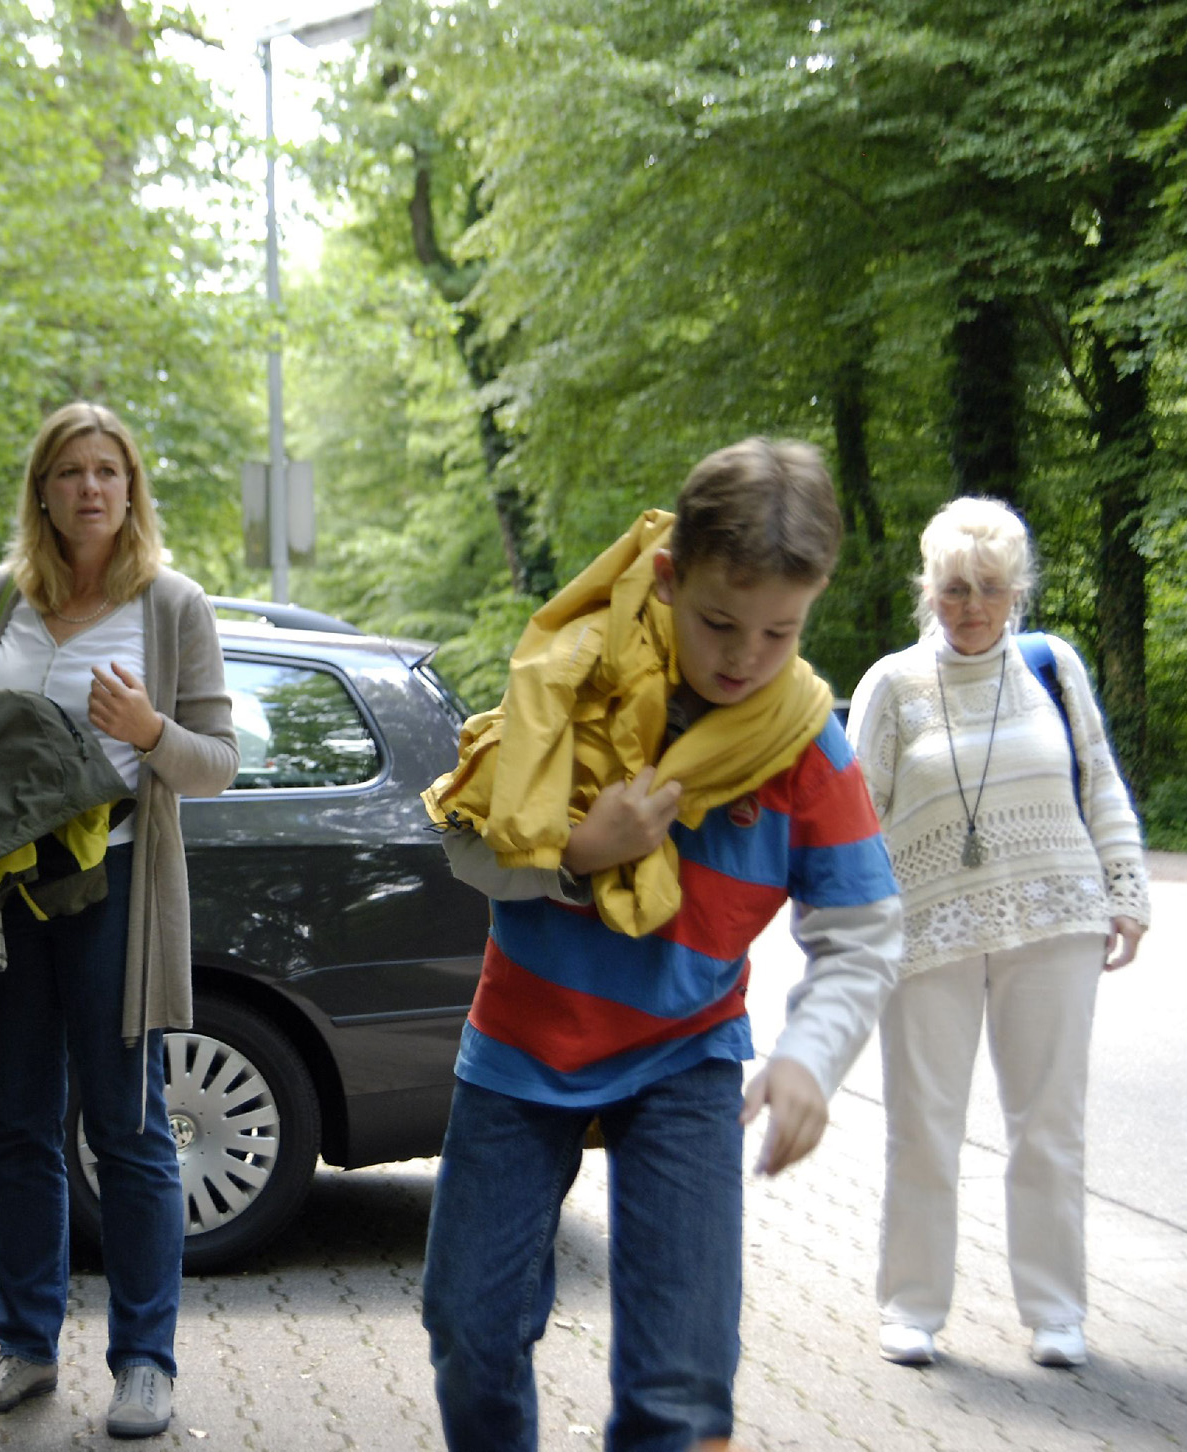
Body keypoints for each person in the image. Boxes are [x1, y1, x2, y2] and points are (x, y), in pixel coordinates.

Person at [419, 438, 902, 1452]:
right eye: (721, 622)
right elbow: (463, 845)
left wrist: (809, 1058)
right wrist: (576, 855)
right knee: (470, 1332)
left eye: (780, 632)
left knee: (681, 1385)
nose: (745, 657)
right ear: (671, 577)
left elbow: (862, 933)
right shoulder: (572, 683)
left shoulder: (806, 748)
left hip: (686, 1054)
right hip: (521, 1047)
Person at [0, 401, 238, 1440]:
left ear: (131, 487)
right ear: (43, 489)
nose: (91, 488)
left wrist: (150, 731)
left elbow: (217, 764)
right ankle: (25, 1348)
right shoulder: (1, 598)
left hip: (115, 887)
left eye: (109, 470)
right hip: (8, 896)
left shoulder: (171, 604)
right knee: (17, 1125)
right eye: (71, 471)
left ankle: (145, 1362)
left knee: (129, 1129)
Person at [845, 496, 1149, 1371]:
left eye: (988, 587)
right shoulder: (891, 684)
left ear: (1017, 590)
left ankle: (1055, 1311)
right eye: (953, 587)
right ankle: (911, 1307)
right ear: (927, 590)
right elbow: (853, 817)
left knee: (1049, 1125)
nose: (970, 605)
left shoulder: (1053, 668)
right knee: (923, 1125)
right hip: (926, 930)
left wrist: (1125, 888)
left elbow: (1099, 781)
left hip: (1055, 921)